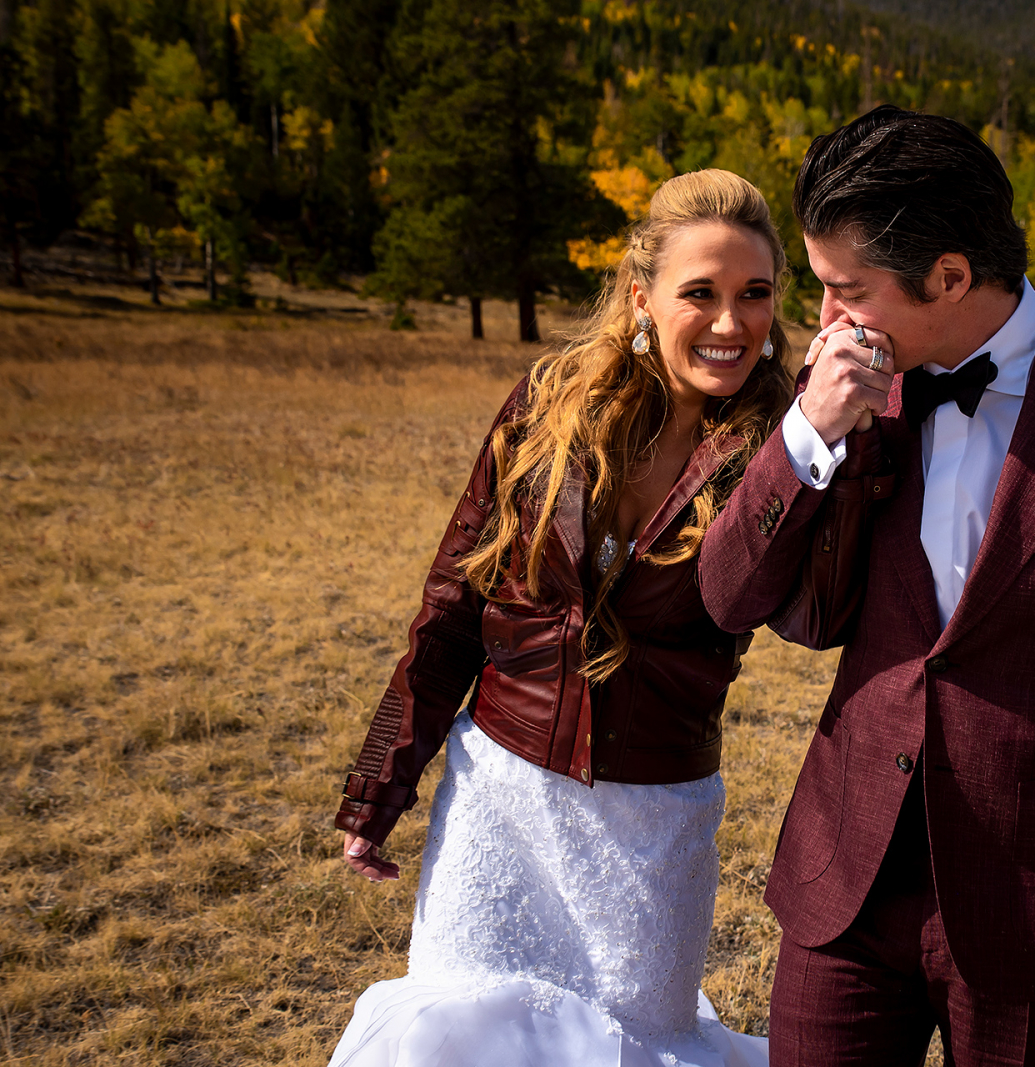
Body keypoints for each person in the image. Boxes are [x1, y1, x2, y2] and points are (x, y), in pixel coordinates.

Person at [698, 106, 1035, 1065]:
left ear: (950, 275)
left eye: (846, 290)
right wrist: (806, 436)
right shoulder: (848, 382)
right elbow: (728, 594)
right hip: (844, 877)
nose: (822, 321)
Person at [326, 169, 797, 1067]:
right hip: (500, 801)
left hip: (652, 828)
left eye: (756, 294)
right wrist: (378, 785)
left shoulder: (783, 445)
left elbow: (814, 607)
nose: (731, 324)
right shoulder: (547, 405)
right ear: (641, 297)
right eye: (700, 293)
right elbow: (451, 606)